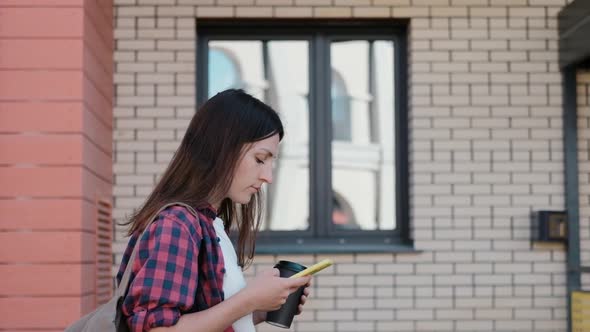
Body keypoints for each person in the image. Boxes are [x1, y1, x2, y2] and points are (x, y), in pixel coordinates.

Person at [116, 89, 312, 332]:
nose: (268, 177)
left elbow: (209, 320)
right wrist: (248, 298)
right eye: (260, 159)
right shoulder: (176, 224)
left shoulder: (210, 223)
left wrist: (261, 307)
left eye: (272, 163)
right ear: (221, 148)